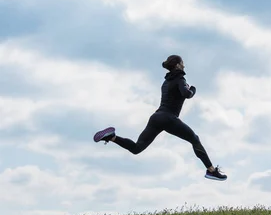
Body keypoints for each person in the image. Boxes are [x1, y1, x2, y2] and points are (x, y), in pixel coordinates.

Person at [93, 55, 227, 181]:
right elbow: (186, 94)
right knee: (195, 139)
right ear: (178, 65)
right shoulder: (180, 79)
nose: (184, 66)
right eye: (182, 63)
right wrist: (193, 89)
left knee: (136, 148)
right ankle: (211, 170)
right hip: (168, 118)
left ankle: (111, 137)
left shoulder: (165, 82)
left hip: (156, 118)